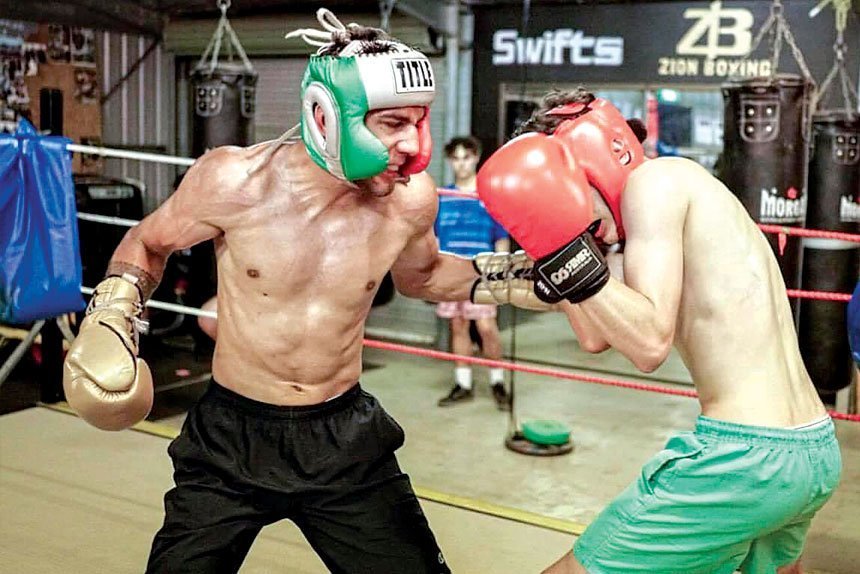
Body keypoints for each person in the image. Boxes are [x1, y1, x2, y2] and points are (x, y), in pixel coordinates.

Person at [61, 9, 547, 573]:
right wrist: (114, 311)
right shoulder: (233, 181)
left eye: (419, 122)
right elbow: (148, 241)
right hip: (231, 439)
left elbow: (425, 277)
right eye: (392, 124)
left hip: (344, 440)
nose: (414, 146)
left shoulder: (409, 201)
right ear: (327, 117)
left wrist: (521, 276)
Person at [477, 89, 841, 574]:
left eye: (565, 192)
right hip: (810, 451)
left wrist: (564, 252)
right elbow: (598, 335)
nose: (569, 210)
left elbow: (648, 343)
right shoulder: (674, 209)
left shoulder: (656, 182)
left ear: (594, 160)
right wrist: (529, 260)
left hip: (743, 458)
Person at [435, 135, 511, 409]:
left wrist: (502, 273)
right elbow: (433, 240)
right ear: (449, 161)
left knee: (487, 328)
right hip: (449, 273)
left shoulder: (488, 197)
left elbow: (502, 238)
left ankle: (498, 381)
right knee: (458, 326)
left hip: (481, 274)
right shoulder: (442, 197)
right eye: (456, 158)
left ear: (476, 157)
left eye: (466, 157)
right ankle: (463, 383)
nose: (461, 164)